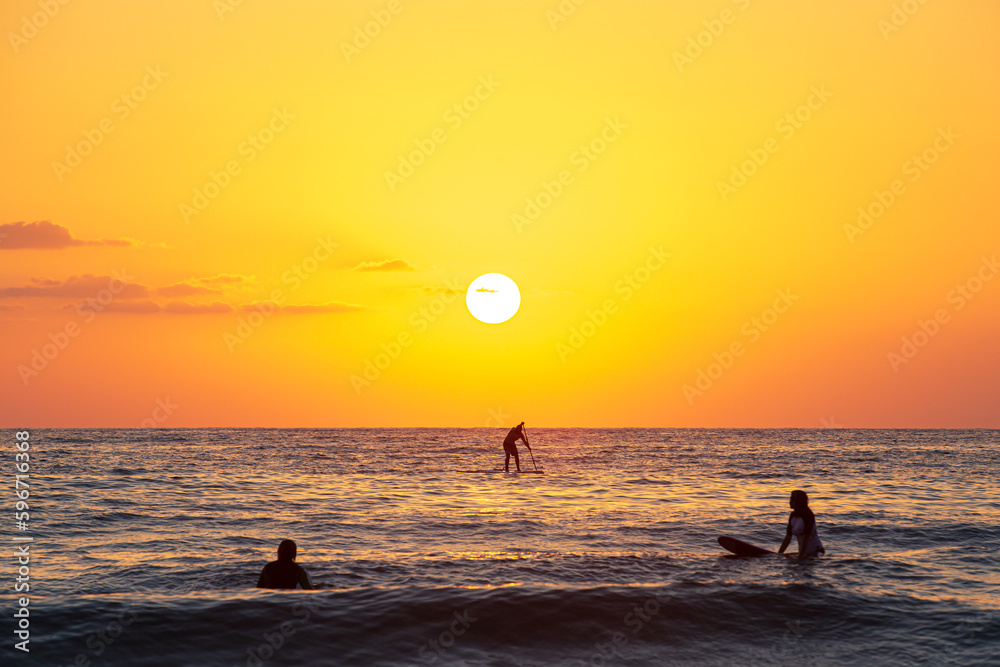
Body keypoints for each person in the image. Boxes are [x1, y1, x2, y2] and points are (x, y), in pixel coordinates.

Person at [778, 490, 825, 559]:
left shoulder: (808, 515)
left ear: (799, 501)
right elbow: (788, 537)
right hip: (803, 553)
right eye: (790, 499)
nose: (790, 501)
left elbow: (806, 536)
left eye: (792, 499)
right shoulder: (792, 515)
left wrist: (801, 556)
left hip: (816, 552)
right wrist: (779, 554)